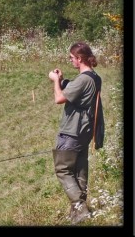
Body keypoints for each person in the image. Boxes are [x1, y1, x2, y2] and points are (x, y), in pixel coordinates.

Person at [48, 42, 102, 225]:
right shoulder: (95, 78)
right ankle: (78, 212)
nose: (70, 60)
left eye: (71, 58)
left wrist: (56, 82)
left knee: (63, 169)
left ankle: (79, 206)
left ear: (79, 59)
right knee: (79, 169)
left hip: (72, 131)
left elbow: (59, 98)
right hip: (84, 132)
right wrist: (63, 80)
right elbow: (76, 90)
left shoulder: (83, 79)